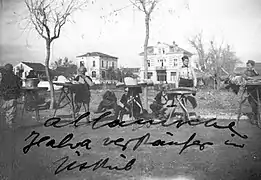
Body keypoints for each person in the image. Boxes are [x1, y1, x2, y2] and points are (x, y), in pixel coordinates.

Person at [0, 64, 22, 128]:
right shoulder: (15, 77)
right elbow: (19, 86)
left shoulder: (3, 78)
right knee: (12, 111)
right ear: (12, 69)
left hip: (5, 97)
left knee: (6, 110)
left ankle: (7, 124)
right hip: (12, 96)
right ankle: (10, 125)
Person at [243, 60, 260, 124]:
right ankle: (254, 118)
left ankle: (258, 117)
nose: (247, 66)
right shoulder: (245, 72)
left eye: (249, 65)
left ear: (252, 66)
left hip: (257, 89)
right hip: (250, 90)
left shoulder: (255, 71)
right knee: (253, 103)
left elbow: (258, 76)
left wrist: (254, 71)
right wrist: (250, 78)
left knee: (258, 103)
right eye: (247, 65)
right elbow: (244, 77)